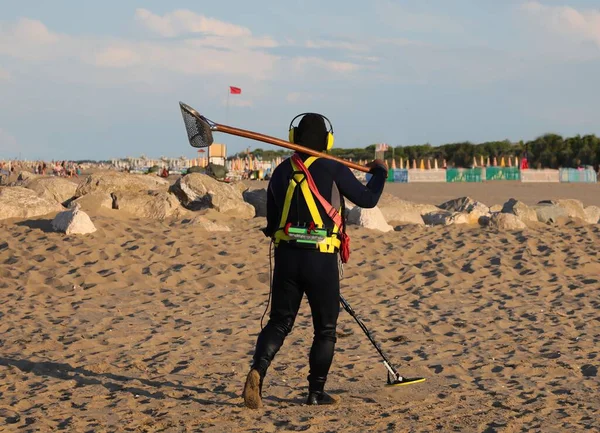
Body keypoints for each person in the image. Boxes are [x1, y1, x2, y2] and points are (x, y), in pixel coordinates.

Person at [242, 113, 388, 409]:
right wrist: (380, 172)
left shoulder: (282, 171)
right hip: (320, 259)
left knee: (280, 321)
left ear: (294, 138)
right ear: (328, 141)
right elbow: (368, 200)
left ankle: (258, 369)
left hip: (287, 258)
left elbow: (272, 225)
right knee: (325, 328)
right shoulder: (334, 167)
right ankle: (315, 392)